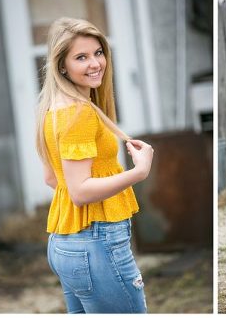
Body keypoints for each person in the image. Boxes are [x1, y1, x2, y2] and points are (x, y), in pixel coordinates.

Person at [35, 18, 153, 313]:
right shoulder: (79, 114)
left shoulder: (54, 110)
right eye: (81, 57)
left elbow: (52, 179)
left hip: (66, 246)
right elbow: (80, 191)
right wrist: (138, 173)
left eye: (98, 53)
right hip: (96, 246)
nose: (95, 63)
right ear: (61, 65)